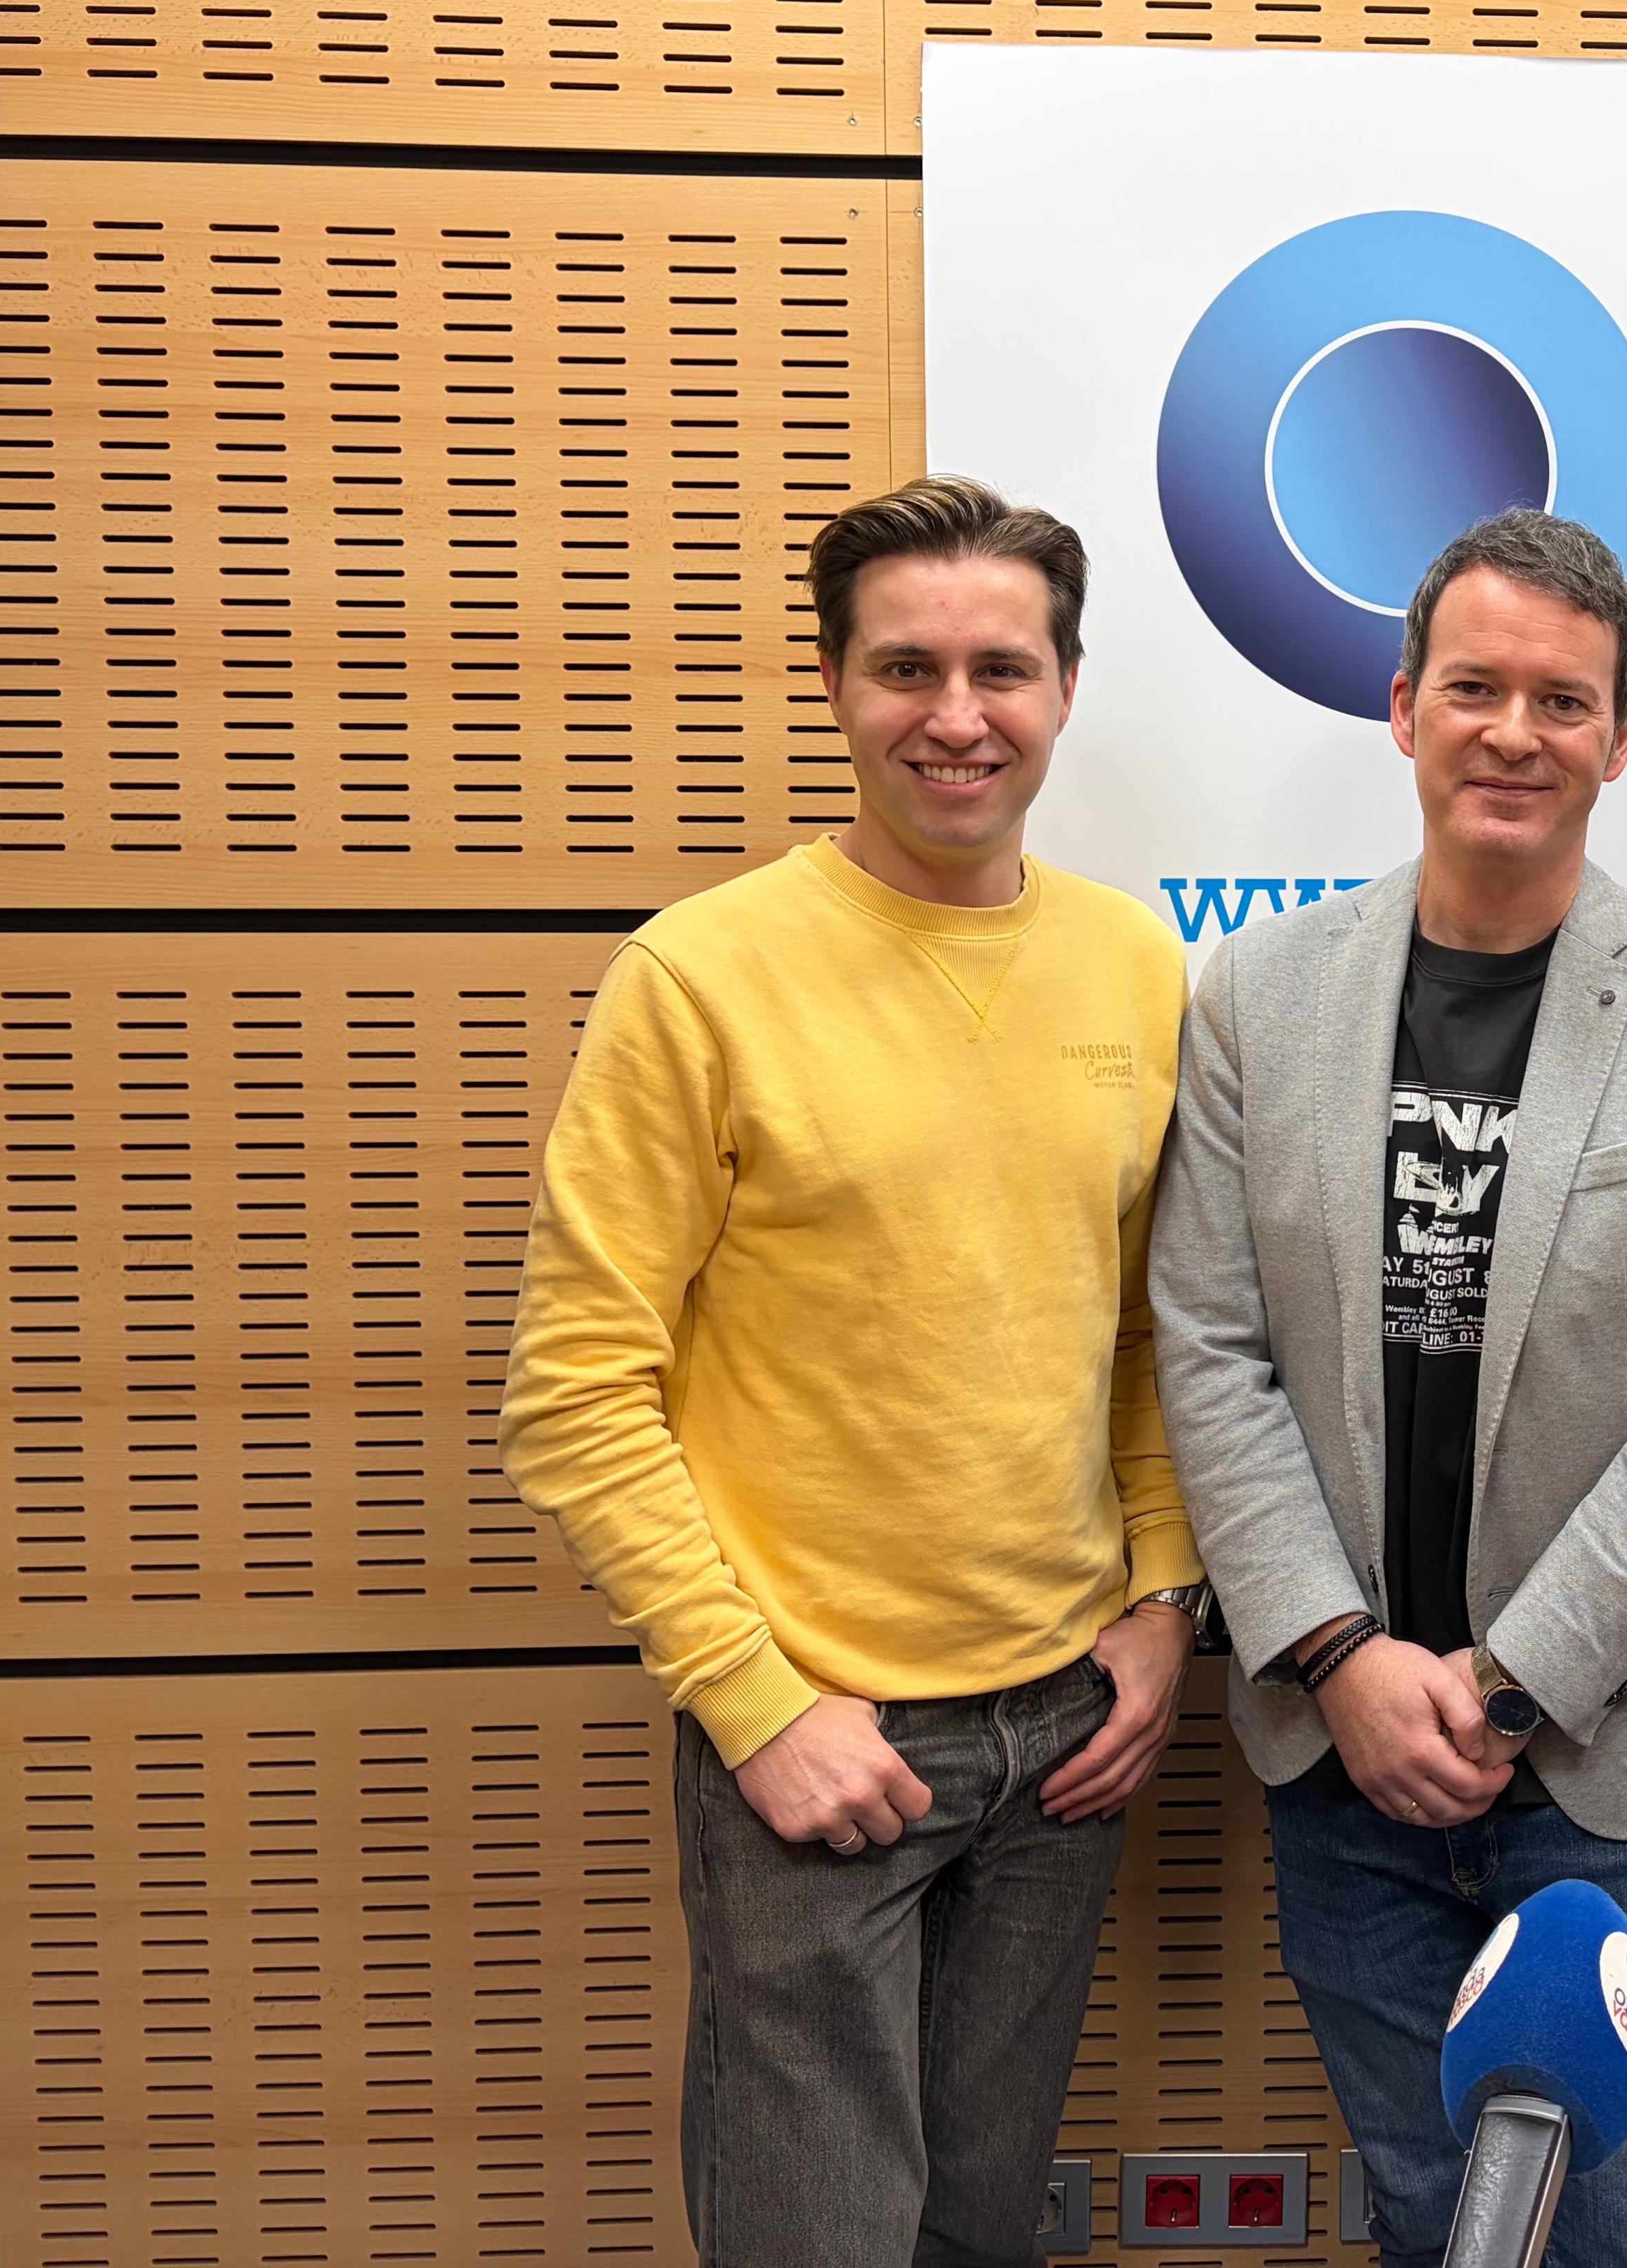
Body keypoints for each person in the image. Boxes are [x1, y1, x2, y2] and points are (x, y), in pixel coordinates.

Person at [501, 475, 1212, 2268]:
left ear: (1065, 689)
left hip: (1066, 1732)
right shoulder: (699, 979)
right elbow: (577, 1391)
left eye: (1001, 669)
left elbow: (1145, 1329)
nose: (955, 716)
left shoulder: (1136, 963)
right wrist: (753, 1702)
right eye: (906, 668)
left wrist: (1162, 1603)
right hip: (819, 1737)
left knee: (980, 2232)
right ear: (833, 685)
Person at [1149, 508, 1627, 2268]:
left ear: (1618, 737)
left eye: (1561, 700)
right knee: (1430, 2229)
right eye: (1473, 688)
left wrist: (1510, 1684)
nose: (1513, 733)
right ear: (1401, 708)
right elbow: (1209, 1346)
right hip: (1351, 1771)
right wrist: (1338, 1659)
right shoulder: (1258, 998)